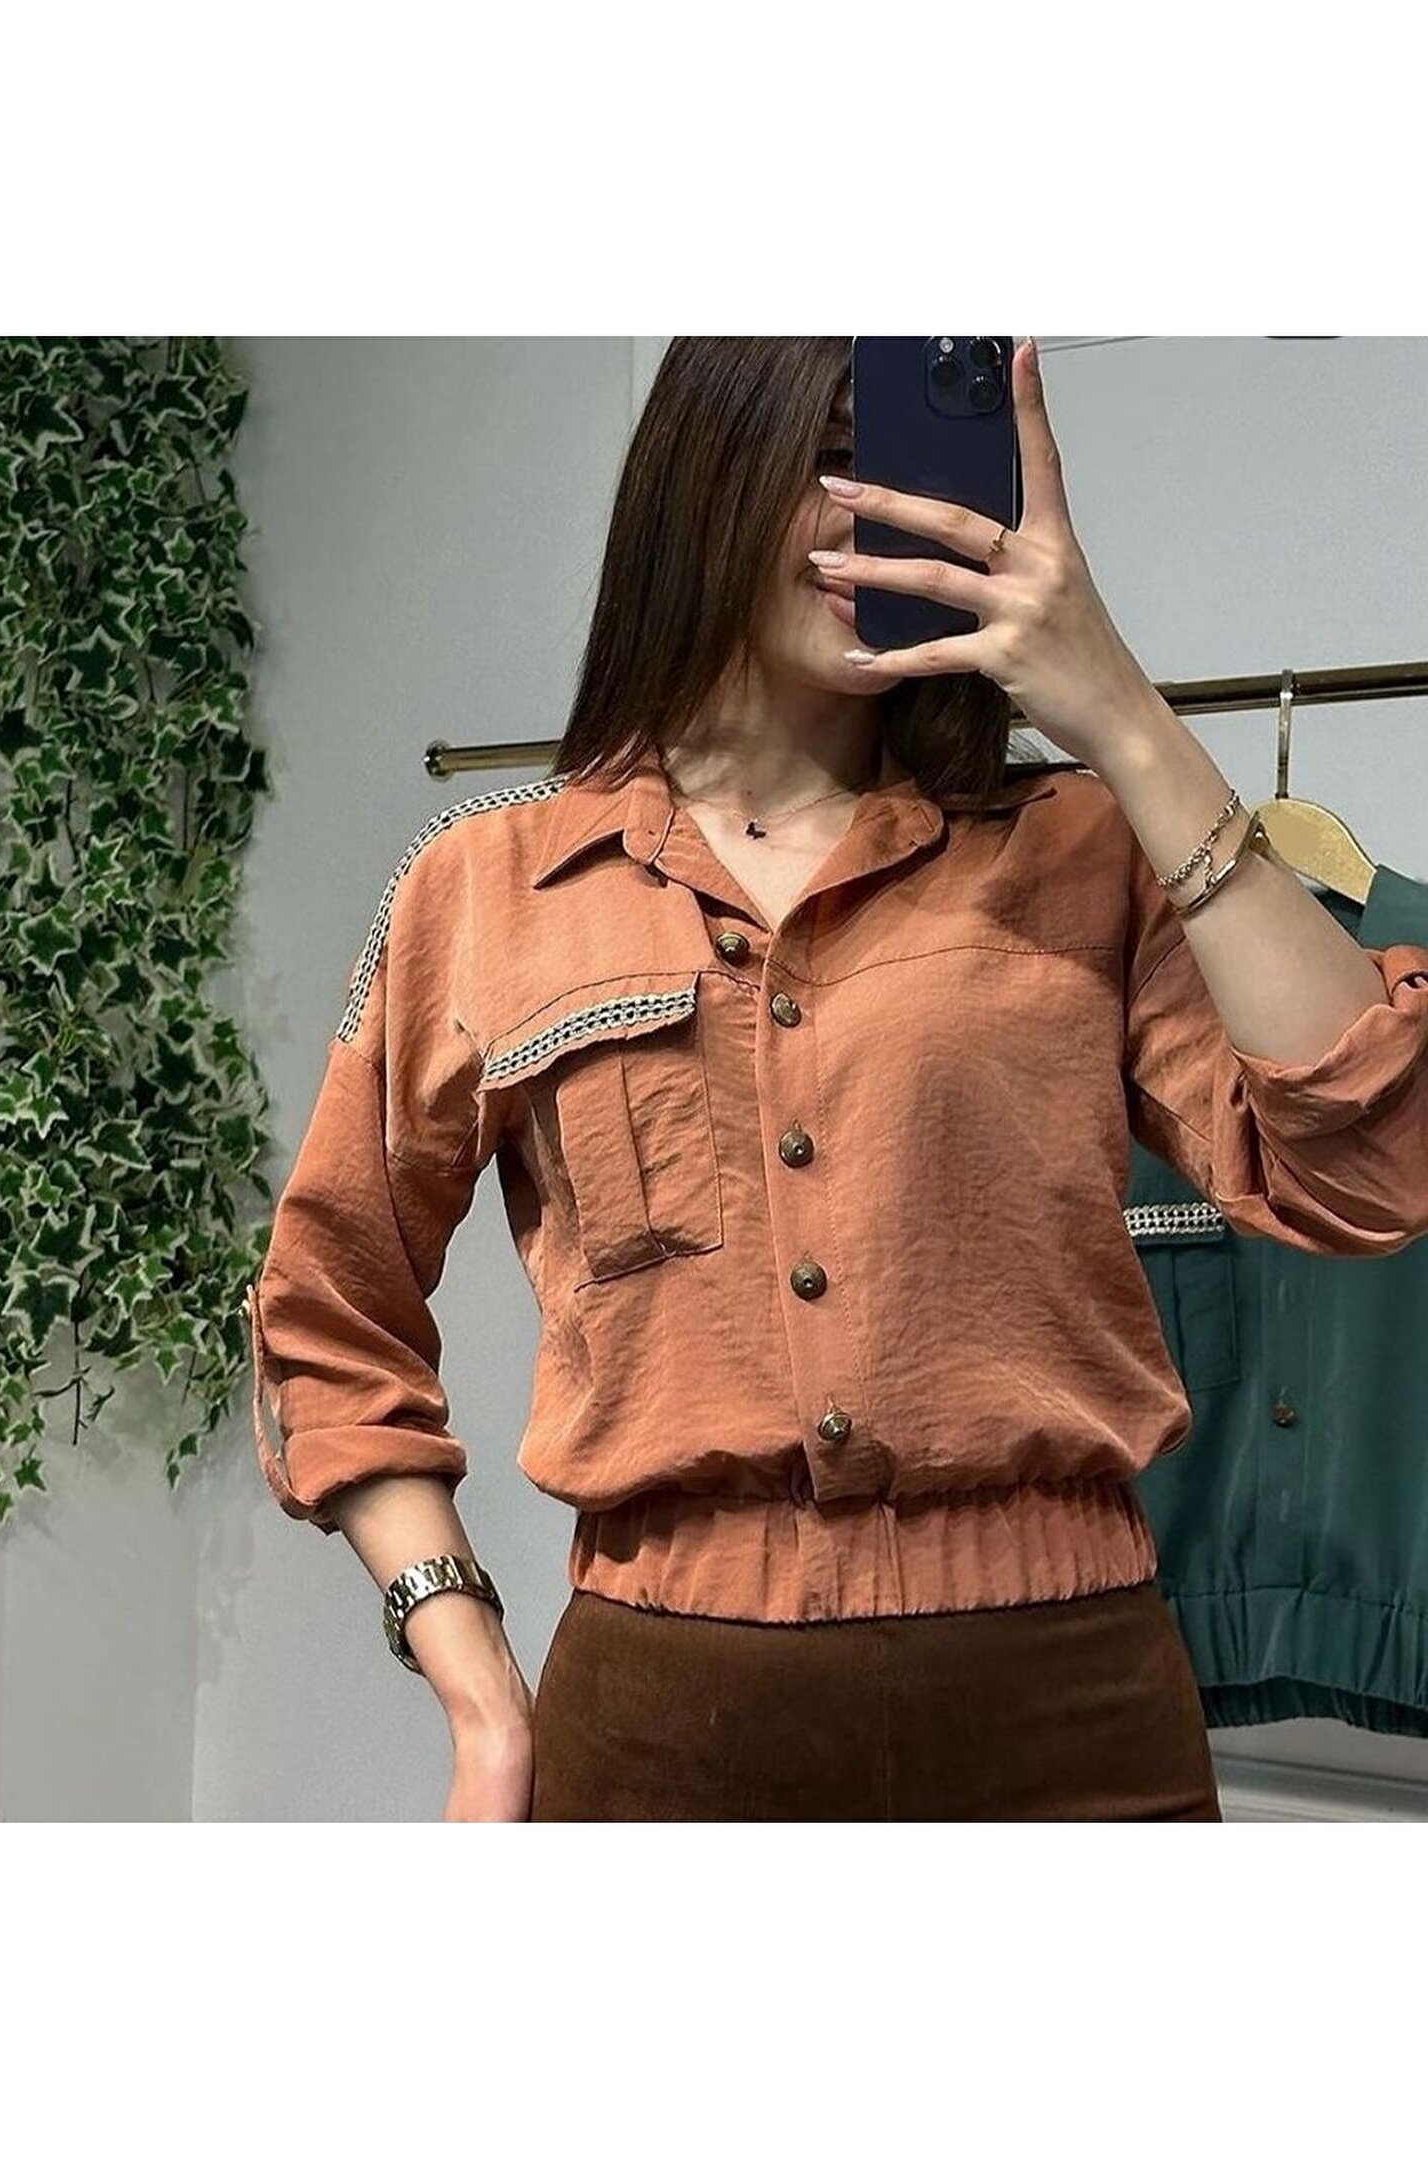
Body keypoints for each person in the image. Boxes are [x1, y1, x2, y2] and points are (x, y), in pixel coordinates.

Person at [246, 336, 1428, 1820]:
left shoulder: (1081, 851)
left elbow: (1365, 1171)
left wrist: (1122, 713)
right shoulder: (491, 885)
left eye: (916, 467)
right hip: (663, 1728)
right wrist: (477, 1690)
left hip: (1073, 1716)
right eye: (831, 457)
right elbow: (326, 1313)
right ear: (709, 468)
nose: (879, 512)